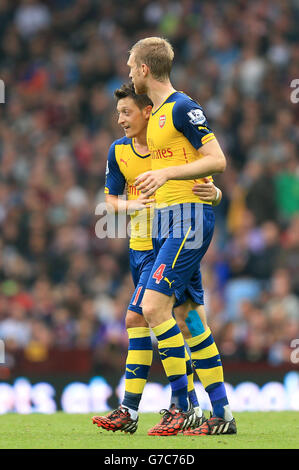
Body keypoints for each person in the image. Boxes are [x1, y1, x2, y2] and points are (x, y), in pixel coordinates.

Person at [92, 83, 223, 435]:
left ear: (148, 111)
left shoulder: (169, 146)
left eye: (126, 112)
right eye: (118, 113)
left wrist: (218, 192)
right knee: (189, 321)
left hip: (169, 243)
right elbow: (110, 201)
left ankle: (178, 405)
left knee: (141, 316)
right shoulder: (118, 152)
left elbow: (207, 172)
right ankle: (214, 410)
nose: (120, 119)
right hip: (140, 246)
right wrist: (132, 205)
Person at [127, 36, 236, 436]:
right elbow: (198, 166)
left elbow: (217, 159)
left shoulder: (183, 107)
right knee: (190, 319)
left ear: (143, 69)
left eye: (130, 67)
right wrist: (214, 191)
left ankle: (184, 405)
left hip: (188, 220)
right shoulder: (155, 114)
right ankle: (221, 415)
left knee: (154, 308)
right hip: (170, 220)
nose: (128, 73)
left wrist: (169, 175)